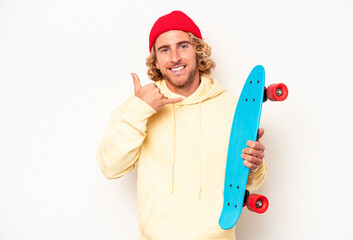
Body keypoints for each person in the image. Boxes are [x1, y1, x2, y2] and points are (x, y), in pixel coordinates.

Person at [97, 10, 267, 240]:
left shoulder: (232, 107)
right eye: (164, 50)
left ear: (198, 51)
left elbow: (248, 183)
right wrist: (141, 110)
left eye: (183, 46)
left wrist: (254, 165)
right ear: (155, 60)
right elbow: (111, 166)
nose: (174, 57)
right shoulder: (139, 107)